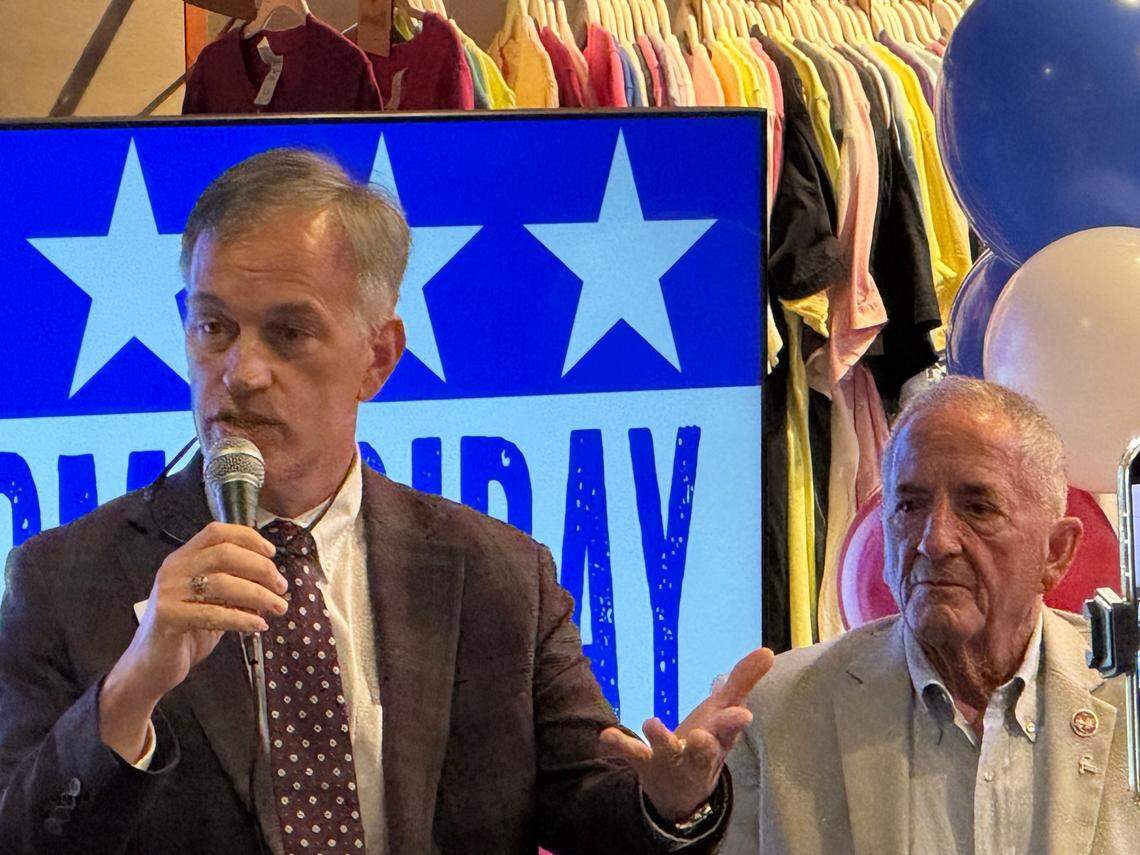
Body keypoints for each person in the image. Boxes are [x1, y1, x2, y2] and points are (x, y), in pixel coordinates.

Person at [0, 149, 771, 854]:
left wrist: (671, 802)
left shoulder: (497, 573)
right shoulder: (67, 578)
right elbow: (22, 830)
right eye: (213, 327)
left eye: (289, 333)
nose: (240, 372)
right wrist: (132, 685)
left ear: (378, 356)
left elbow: (588, 803)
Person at [725, 376, 1140, 854]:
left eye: (979, 508)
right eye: (909, 505)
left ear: (1056, 552)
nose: (934, 540)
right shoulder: (774, 712)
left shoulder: (1130, 694)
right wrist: (668, 819)